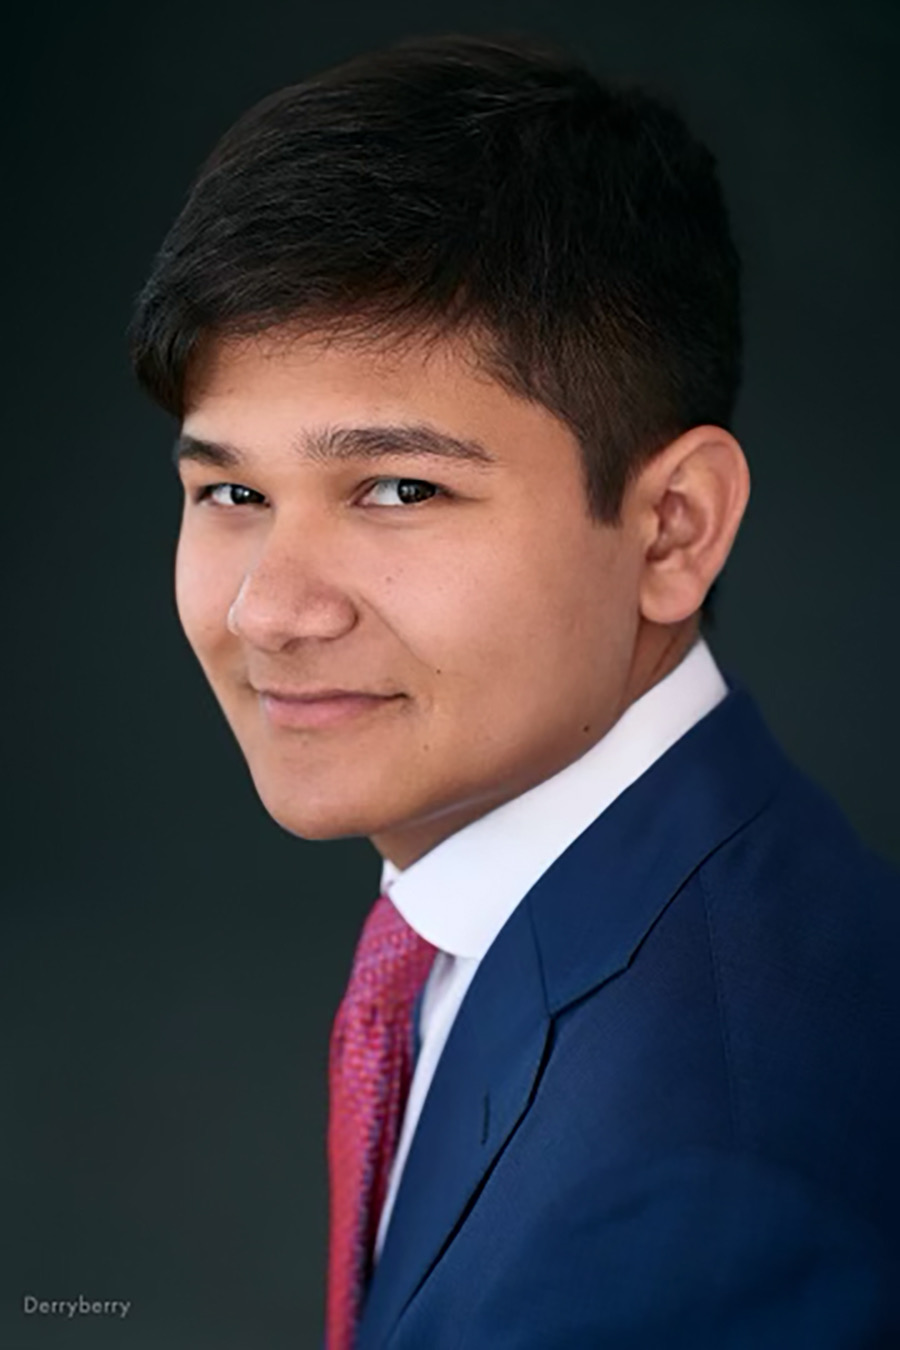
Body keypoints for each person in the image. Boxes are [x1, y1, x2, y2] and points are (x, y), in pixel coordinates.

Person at [128, 33, 900, 1349]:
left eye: (400, 489)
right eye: (232, 494)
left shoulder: (698, 1199)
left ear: (672, 528)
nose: (271, 607)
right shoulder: (662, 899)